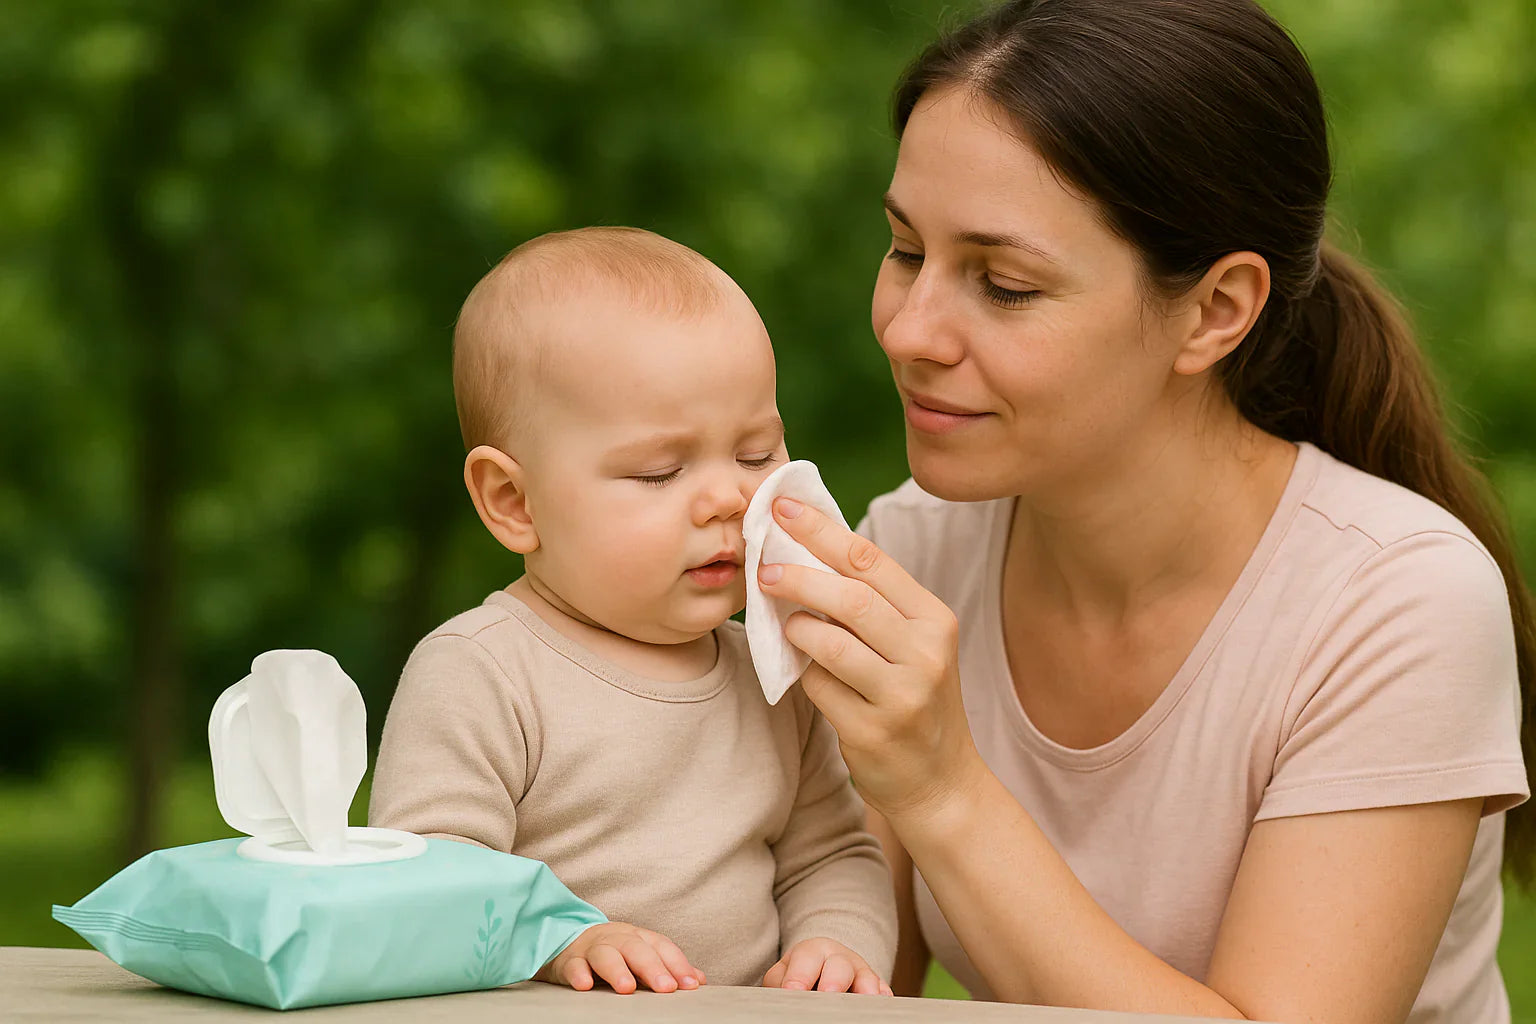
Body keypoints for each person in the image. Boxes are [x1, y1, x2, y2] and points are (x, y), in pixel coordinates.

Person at [753, 2, 1534, 1022]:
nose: (908, 329)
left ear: (1215, 311)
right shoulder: (915, 546)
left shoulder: (1398, 599)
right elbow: (852, 985)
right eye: (905, 250)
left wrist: (943, 785)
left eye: (1005, 284)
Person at [368, 227, 896, 996]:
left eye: (757, 455)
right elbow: (428, 874)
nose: (729, 497)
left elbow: (832, 856)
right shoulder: (483, 671)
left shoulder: (772, 671)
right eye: (660, 471)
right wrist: (561, 936)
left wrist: (837, 942)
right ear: (514, 502)